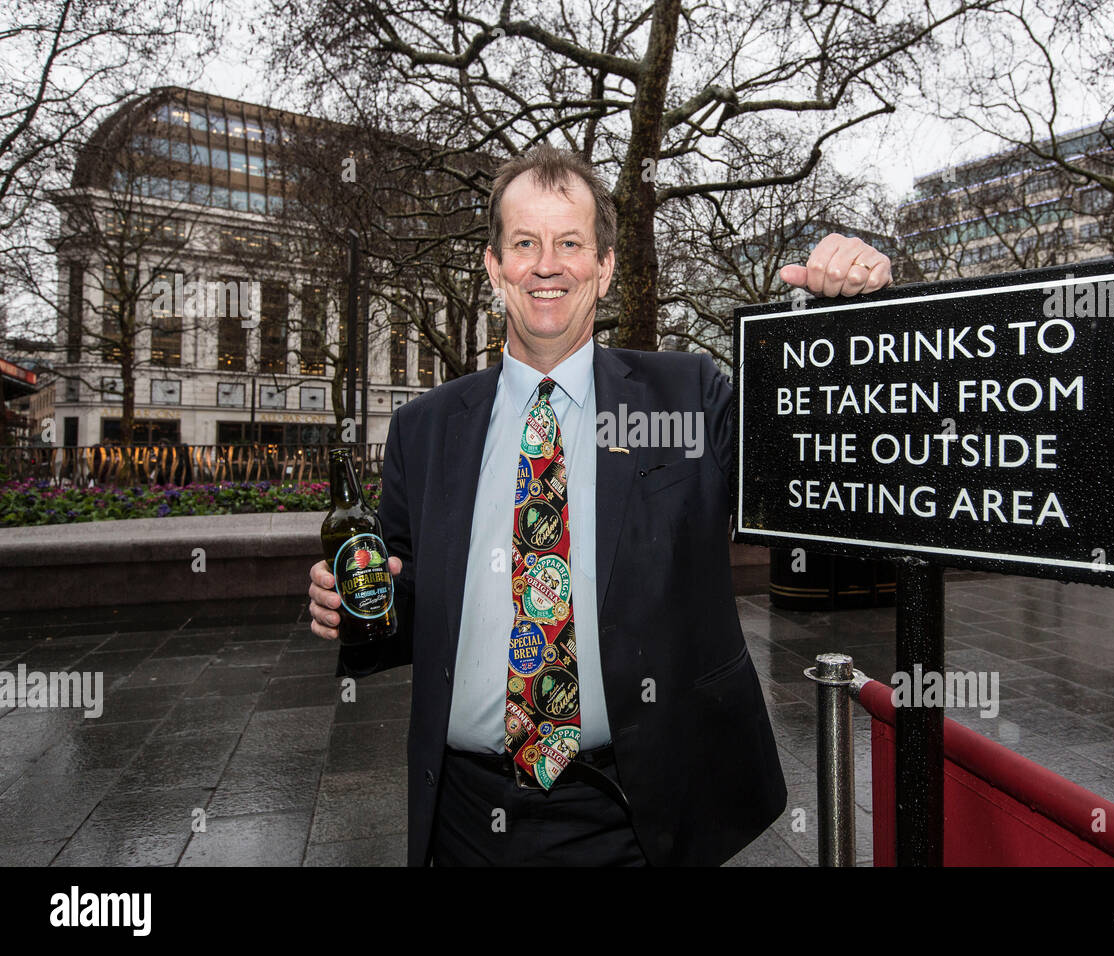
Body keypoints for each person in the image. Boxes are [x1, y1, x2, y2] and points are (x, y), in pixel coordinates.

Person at [306, 144, 892, 866]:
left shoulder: (687, 396)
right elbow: (403, 602)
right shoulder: (425, 430)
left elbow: (818, 466)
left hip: (637, 814)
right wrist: (353, 608)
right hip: (464, 819)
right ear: (495, 268)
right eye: (524, 243)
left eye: (570, 243)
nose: (546, 265)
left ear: (605, 267)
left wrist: (850, 320)